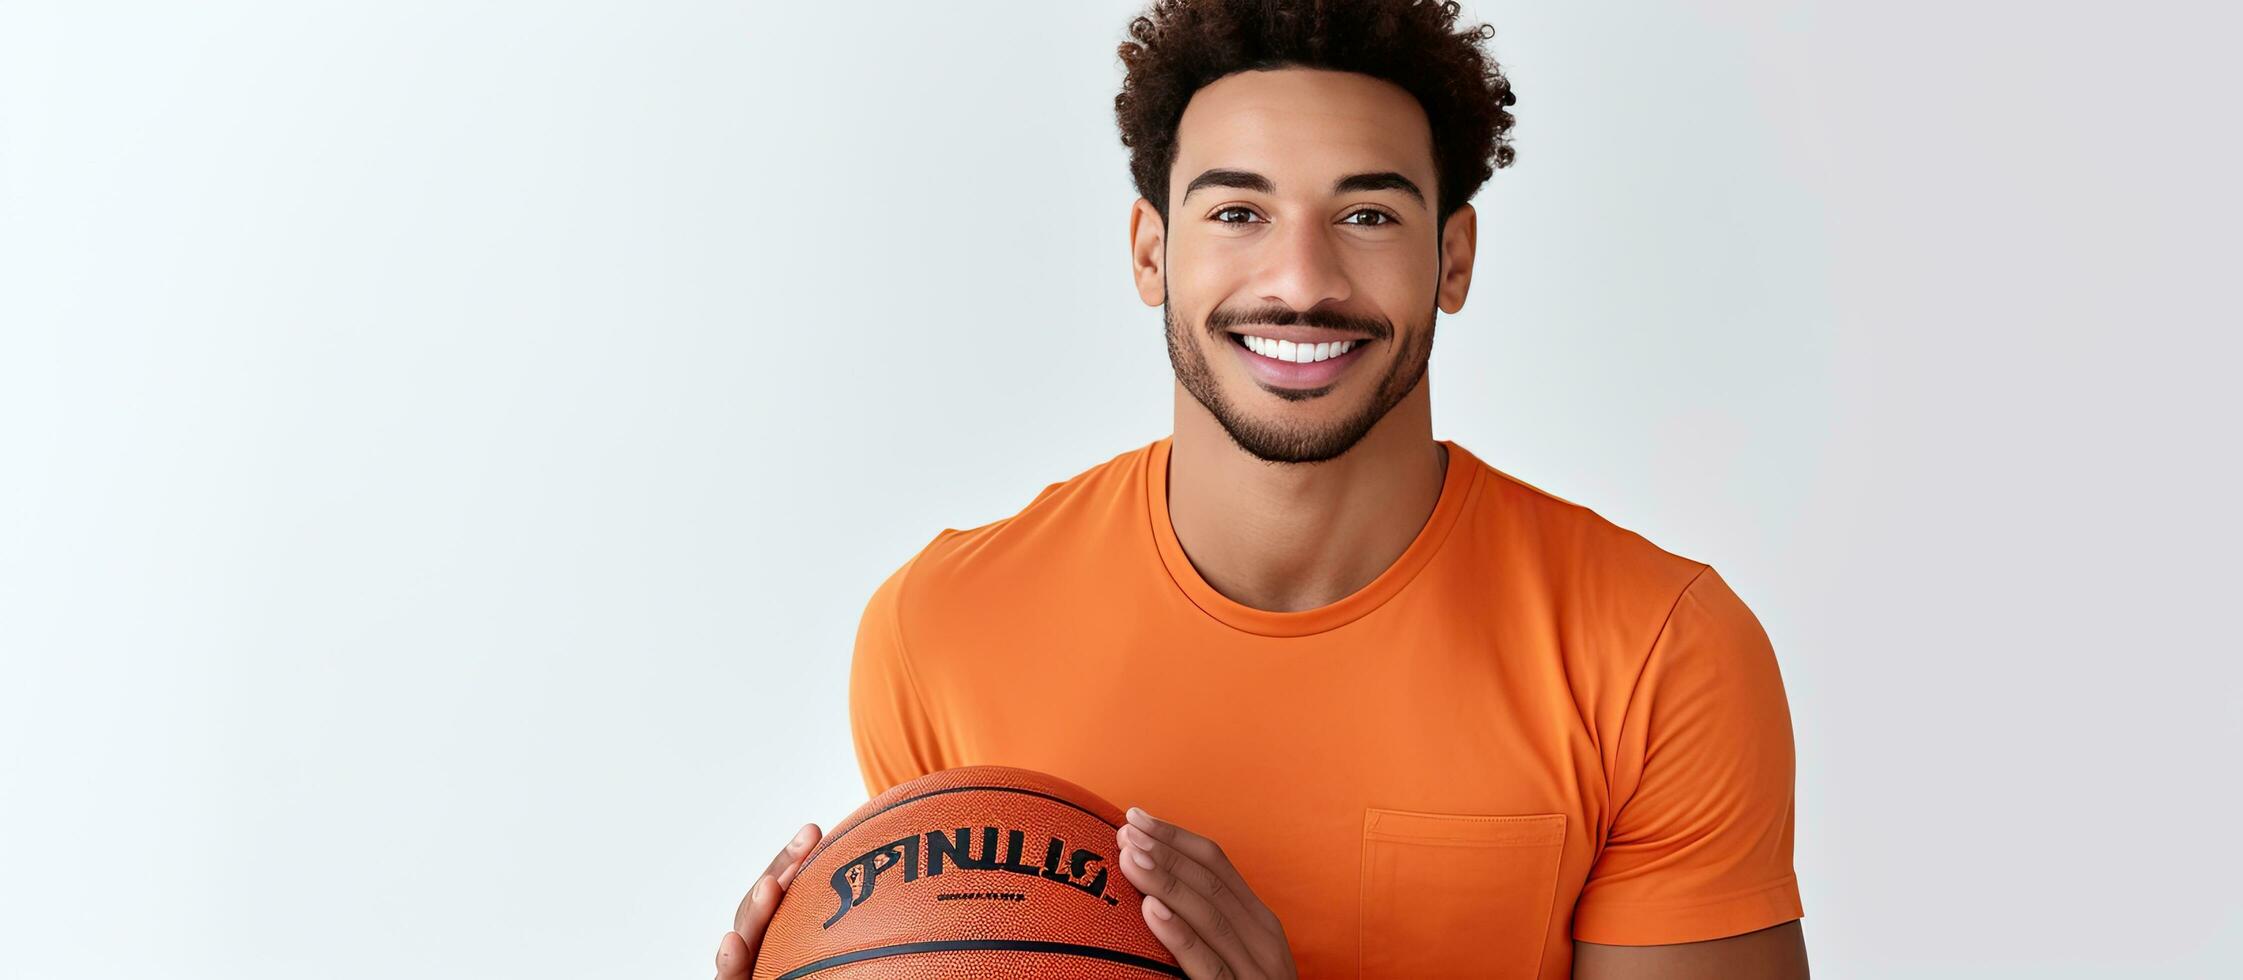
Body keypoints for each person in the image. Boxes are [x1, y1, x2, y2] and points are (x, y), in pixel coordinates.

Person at [716, 1, 1808, 977]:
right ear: (1150, 252)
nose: (1300, 279)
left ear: (1453, 256)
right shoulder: (942, 627)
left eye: (1367, 214)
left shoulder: (1656, 654)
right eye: (1237, 213)